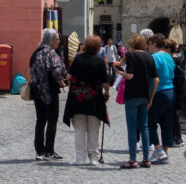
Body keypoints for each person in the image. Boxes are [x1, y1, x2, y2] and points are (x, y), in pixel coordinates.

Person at [62, 34, 110, 165]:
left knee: (79, 130)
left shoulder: (78, 59)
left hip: (77, 98)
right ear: (97, 48)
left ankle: (80, 158)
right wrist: (106, 92)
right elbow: (105, 82)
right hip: (94, 99)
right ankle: (93, 157)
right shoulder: (100, 61)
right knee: (94, 129)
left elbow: (69, 76)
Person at [117, 33, 157, 169]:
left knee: (132, 128)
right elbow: (156, 79)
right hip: (145, 96)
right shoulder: (149, 57)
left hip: (132, 96)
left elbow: (130, 75)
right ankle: (146, 159)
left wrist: (120, 73)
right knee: (144, 127)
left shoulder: (131, 55)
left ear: (132, 44)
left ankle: (133, 159)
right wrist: (151, 98)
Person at [29, 28, 68, 161]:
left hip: (37, 90)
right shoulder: (52, 54)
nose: (59, 41)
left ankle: (39, 151)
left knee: (40, 120)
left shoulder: (35, 53)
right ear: (51, 40)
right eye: (57, 38)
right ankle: (49, 151)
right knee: (52, 120)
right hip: (50, 91)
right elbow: (57, 73)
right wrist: (62, 80)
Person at [145, 34, 176, 163]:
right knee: (166, 123)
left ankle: (158, 150)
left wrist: (149, 97)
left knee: (149, 122)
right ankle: (165, 151)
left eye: (150, 44)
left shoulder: (154, 58)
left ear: (155, 44)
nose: (148, 46)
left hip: (159, 92)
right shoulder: (169, 57)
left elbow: (151, 78)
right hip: (171, 91)